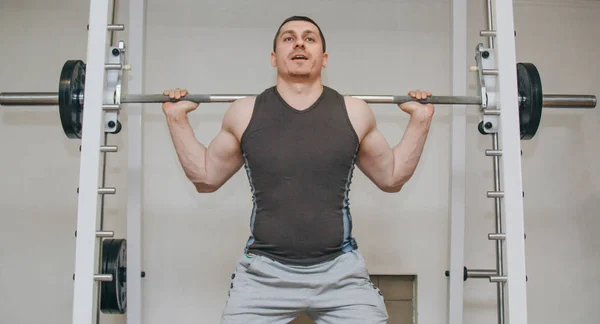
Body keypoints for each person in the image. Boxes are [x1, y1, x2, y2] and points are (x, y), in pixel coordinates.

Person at [161, 15, 434, 324]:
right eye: (289, 38)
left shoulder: (354, 112)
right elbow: (206, 178)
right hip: (264, 273)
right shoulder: (244, 112)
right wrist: (176, 119)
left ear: (324, 58)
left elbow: (392, 178)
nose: (300, 43)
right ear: (274, 57)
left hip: (340, 272)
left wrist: (420, 121)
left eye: (310, 38)